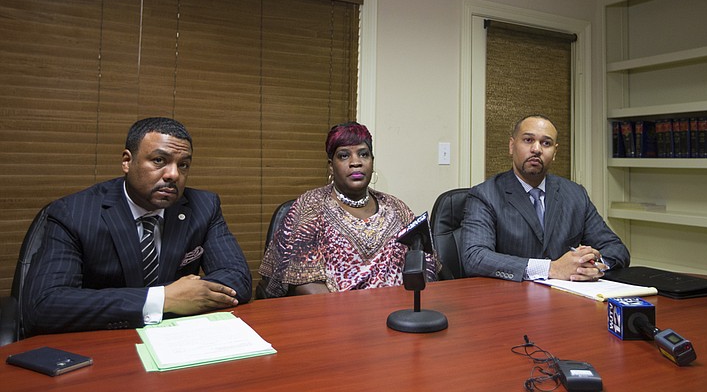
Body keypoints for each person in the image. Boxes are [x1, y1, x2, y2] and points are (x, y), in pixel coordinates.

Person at [22, 117, 252, 336]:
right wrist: (162, 299)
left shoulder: (204, 206)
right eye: (159, 160)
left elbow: (237, 280)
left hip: (178, 339)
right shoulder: (73, 213)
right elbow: (45, 305)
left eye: (183, 165)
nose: (173, 174)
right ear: (126, 161)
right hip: (103, 341)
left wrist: (170, 299)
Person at [259, 122, 438, 296]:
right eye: (344, 156)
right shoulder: (311, 206)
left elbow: (426, 260)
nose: (356, 162)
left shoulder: (396, 207)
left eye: (363, 154)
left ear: (372, 161)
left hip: (400, 313)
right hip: (335, 316)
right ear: (331, 165)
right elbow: (304, 282)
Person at [461, 114, 629, 282]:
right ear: (512, 146)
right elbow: (475, 257)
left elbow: (616, 249)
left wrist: (593, 264)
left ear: (554, 152)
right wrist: (551, 269)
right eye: (528, 140)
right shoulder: (485, 195)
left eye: (546, 143)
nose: (536, 149)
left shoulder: (575, 194)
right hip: (510, 298)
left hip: (567, 297)